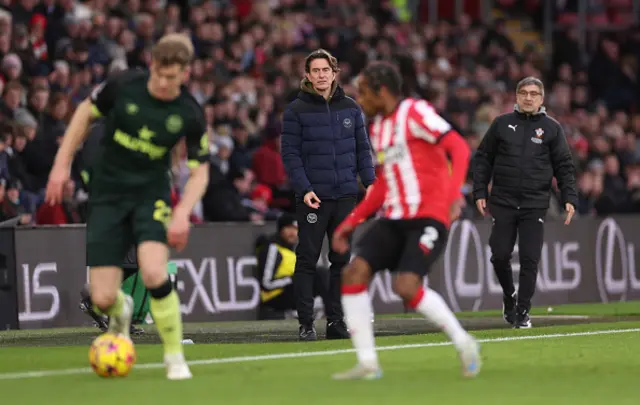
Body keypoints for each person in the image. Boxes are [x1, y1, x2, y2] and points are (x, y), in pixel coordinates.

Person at [45, 33, 210, 380]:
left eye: (174, 77)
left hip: (150, 195)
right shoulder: (123, 86)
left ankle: (174, 355)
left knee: (153, 272)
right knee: (103, 296)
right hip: (107, 195)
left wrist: (183, 212)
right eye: (161, 75)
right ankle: (123, 309)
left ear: (185, 73)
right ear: (152, 66)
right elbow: (83, 114)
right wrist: (62, 164)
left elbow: (200, 172)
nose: (166, 84)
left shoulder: (190, 112)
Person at [330, 62, 480, 380]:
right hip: (395, 218)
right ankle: (368, 363)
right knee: (353, 273)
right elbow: (383, 184)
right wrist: (351, 222)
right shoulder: (378, 129)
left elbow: (458, 146)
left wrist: (455, 195)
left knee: (406, 286)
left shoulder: (415, 111)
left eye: (364, 94)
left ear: (381, 92)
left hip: (429, 216)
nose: (361, 101)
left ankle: (465, 343)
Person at [281, 49, 375, 341]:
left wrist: (370, 183)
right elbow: (290, 154)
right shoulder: (295, 110)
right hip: (313, 198)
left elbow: (363, 149)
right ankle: (306, 324)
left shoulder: (351, 108)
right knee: (307, 259)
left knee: (341, 260)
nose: (321, 75)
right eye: (316, 71)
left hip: (346, 196)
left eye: (326, 70)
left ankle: (336, 322)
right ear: (307, 75)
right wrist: (304, 189)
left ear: (335, 73)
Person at [472, 76, 577, 329]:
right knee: (499, 255)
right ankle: (509, 297)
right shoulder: (501, 124)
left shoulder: (552, 129)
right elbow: (483, 158)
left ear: (541, 99)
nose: (528, 97)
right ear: (516, 97)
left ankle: (522, 311)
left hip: (534, 203)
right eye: (523, 93)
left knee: (530, 258)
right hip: (504, 201)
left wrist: (569, 197)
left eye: (533, 93)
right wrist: (479, 191)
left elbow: (564, 165)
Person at [255, 213, 329, 320]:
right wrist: (293, 279)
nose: (293, 233)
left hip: (291, 291)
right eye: (289, 228)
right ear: (281, 230)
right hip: (275, 297)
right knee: (320, 274)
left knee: (326, 275)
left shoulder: (290, 252)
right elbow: (266, 283)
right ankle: (332, 316)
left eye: (296, 229)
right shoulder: (273, 248)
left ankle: (334, 314)